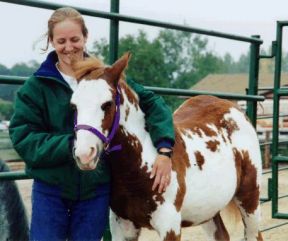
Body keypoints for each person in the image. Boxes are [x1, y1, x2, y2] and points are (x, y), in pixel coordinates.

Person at [9, 7, 175, 241]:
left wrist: (165, 149)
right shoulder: (36, 88)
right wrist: (74, 144)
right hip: (51, 190)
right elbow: (24, 138)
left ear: (85, 37)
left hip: (94, 189)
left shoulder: (105, 78)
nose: (69, 47)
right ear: (51, 42)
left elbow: (153, 104)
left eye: (75, 39)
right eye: (61, 41)